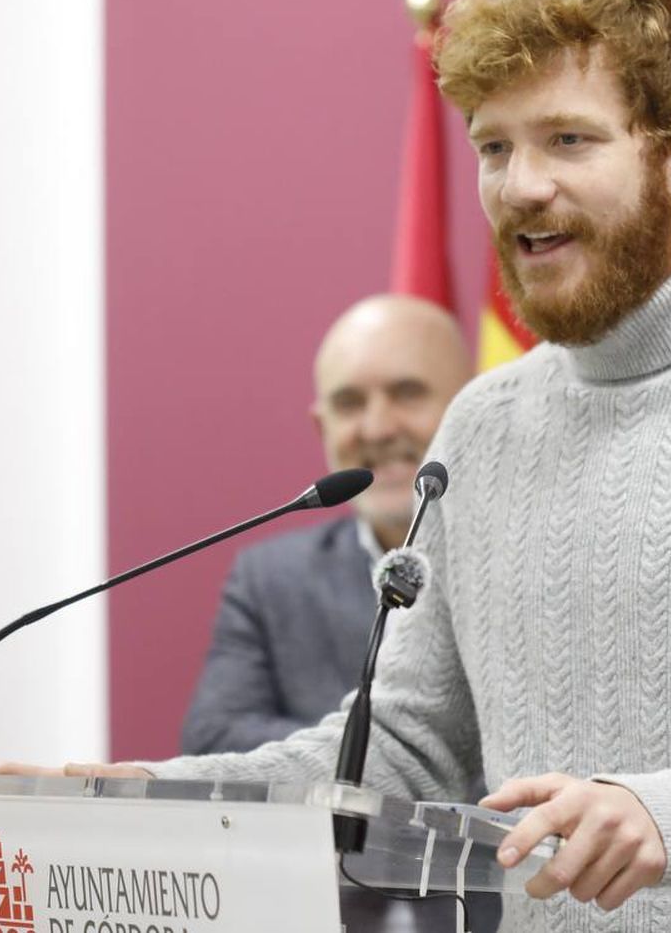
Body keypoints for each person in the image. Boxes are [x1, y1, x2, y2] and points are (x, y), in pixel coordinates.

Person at [0, 0, 671, 932]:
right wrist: (145, 802)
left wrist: (669, 816)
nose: (520, 186)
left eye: (567, 139)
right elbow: (403, 746)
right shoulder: (480, 425)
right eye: (493, 147)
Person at [180, 293, 471, 756]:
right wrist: (391, 760)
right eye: (349, 403)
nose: (377, 428)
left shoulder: (530, 564)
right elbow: (214, 739)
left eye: (407, 393)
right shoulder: (271, 578)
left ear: (471, 410)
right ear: (323, 428)